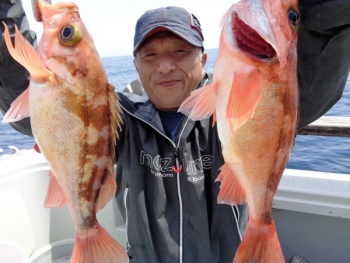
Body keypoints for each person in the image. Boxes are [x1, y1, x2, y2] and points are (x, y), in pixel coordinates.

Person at [1, 1, 350, 262]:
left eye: (181, 51)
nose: (166, 66)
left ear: (204, 58)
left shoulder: (237, 109)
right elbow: (39, 110)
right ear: (135, 63)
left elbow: (312, 88)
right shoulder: (119, 120)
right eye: (150, 55)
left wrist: (326, 14)